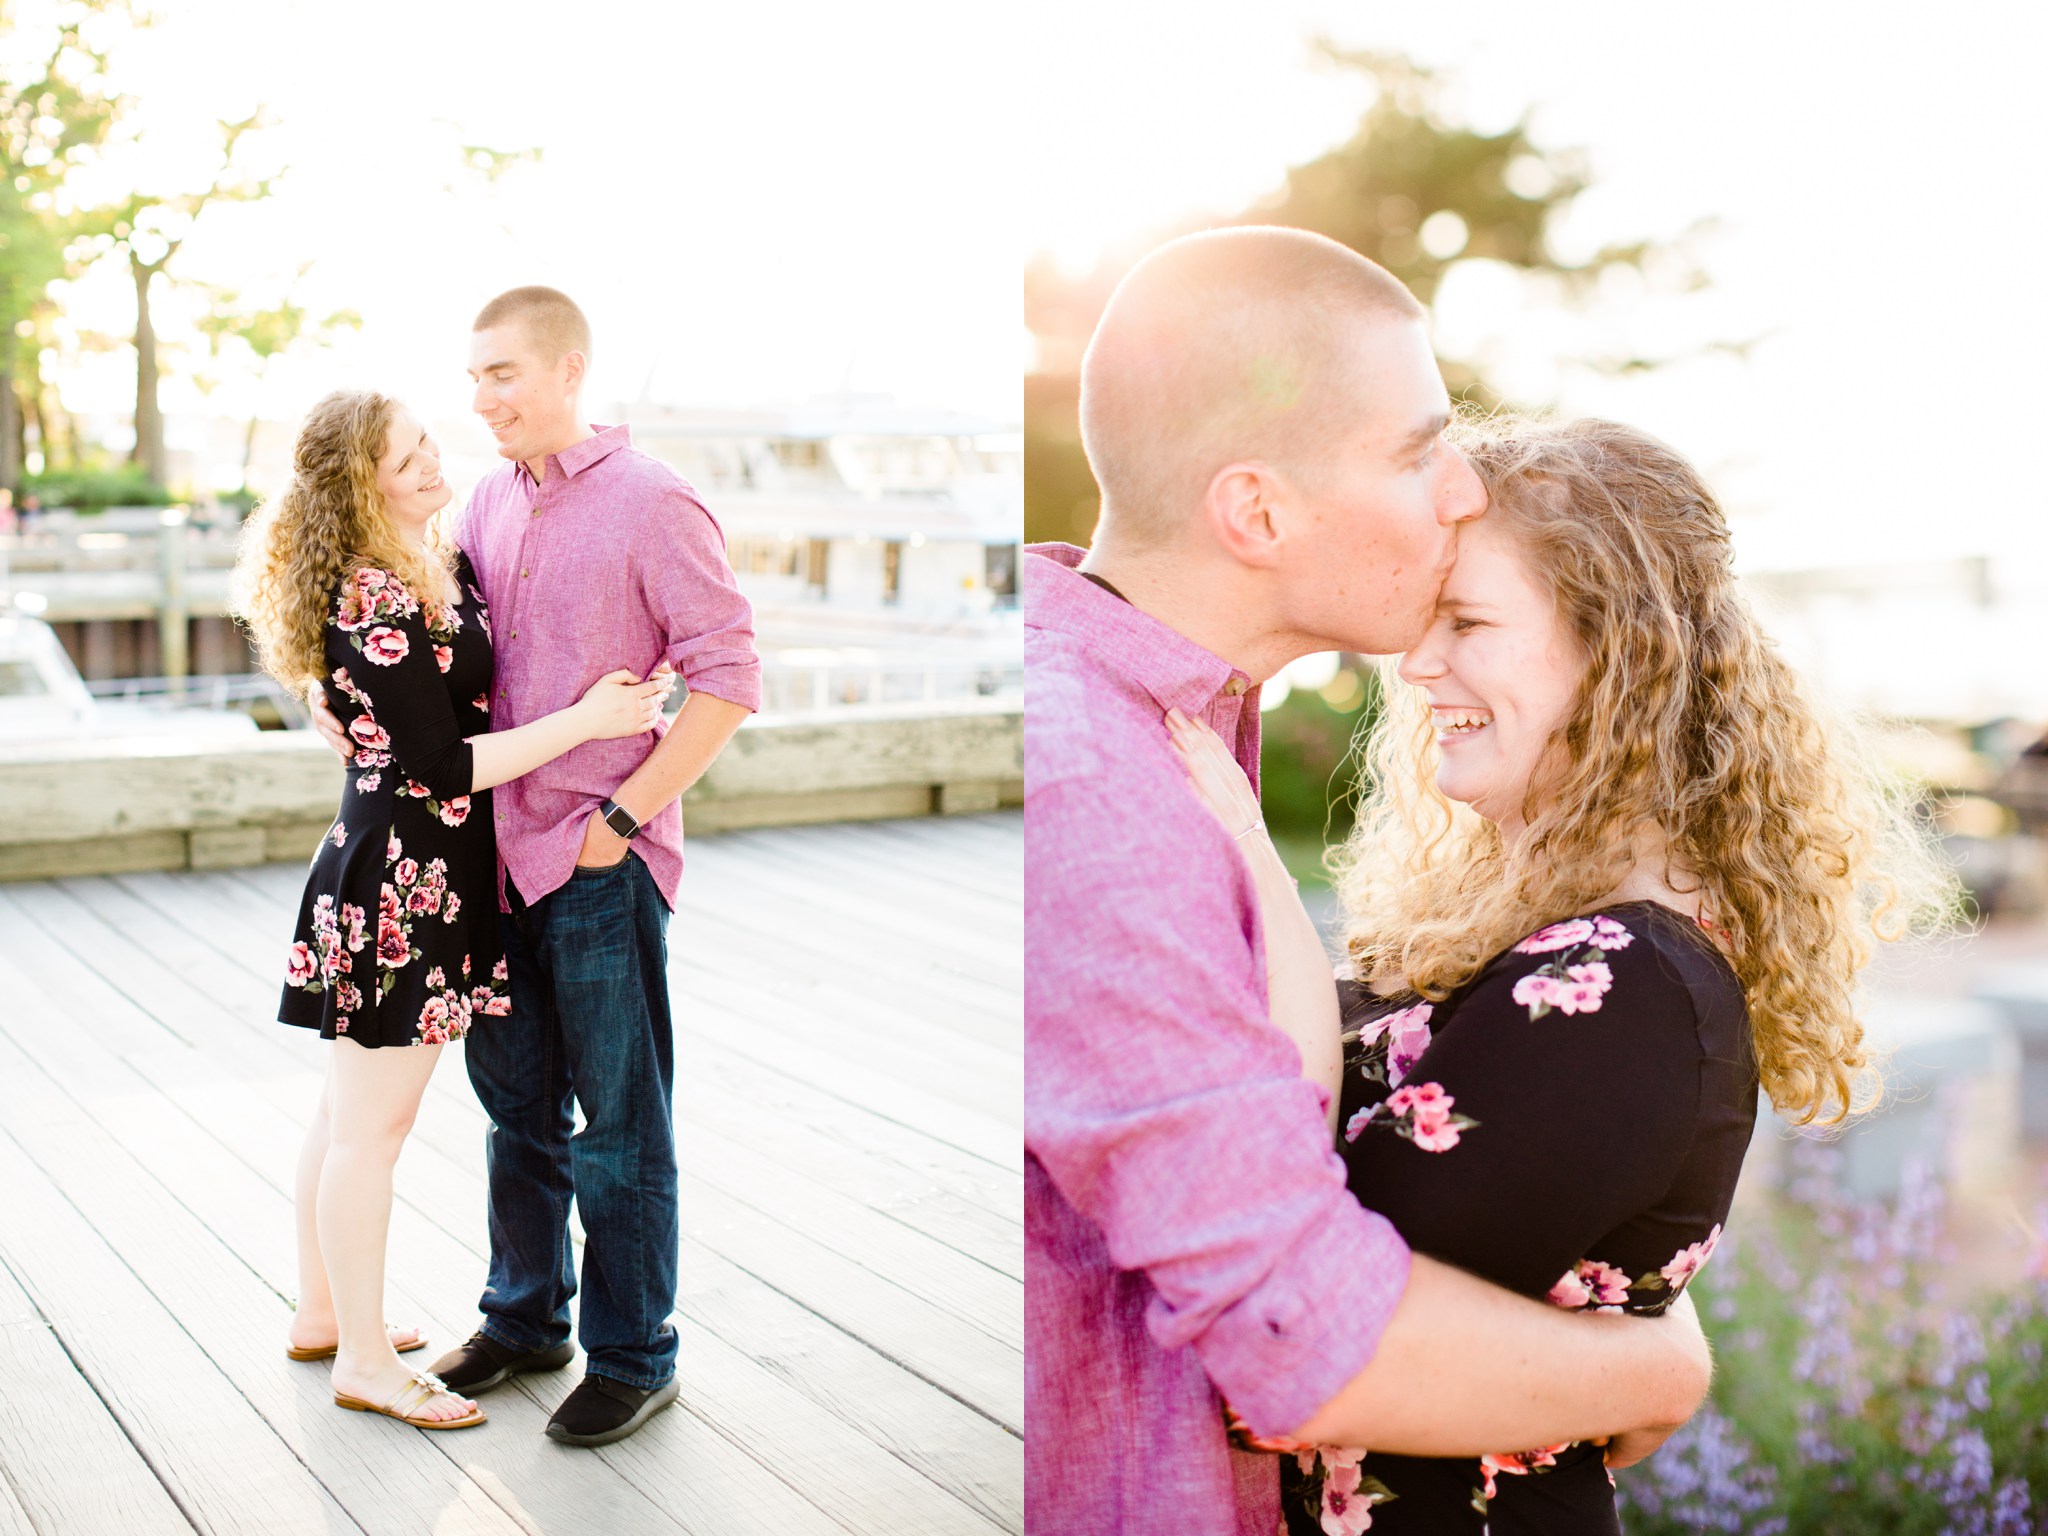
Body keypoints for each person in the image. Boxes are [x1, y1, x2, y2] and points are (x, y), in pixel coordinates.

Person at [1025, 227, 1713, 1536]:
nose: (1461, 492)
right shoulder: (1099, 796)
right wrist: (1656, 1363)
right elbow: (1305, 1338)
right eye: (1416, 451)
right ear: (1259, 511)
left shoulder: (1156, 744)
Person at [1169, 414, 1949, 1532]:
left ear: (1620, 655)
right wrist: (1643, 1359)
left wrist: (1243, 845)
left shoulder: (1624, 985)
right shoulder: (1564, 931)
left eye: (1468, 620)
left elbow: (1298, 1331)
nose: (1415, 660)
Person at [307, 287, 759, 1446]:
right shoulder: (483, 509)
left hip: (598, 861)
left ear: (568, 369)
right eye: (472, 379)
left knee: (618, 1125)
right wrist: (323, 692)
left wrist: (624, 813)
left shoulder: (655, 501)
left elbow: (727, 678)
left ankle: (632, 1351)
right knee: (516, 1116)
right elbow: (415, 670)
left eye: (503, 374)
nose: (482, 400)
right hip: (483, 872)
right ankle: (523, 1319)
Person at [234, 388, 671, 1431]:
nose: (434, 461)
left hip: (413, 870)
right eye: (405, 456)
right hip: (403, 879)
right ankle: (368, 1363)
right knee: (370, 1132)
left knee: (346, 1113)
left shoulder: (430, 558)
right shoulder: (373, 592)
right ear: (359, 485)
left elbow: (376, 699)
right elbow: (438, 763)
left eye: (429, 441)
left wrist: (320, 701)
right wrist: (589, 722)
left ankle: (323, 1311)